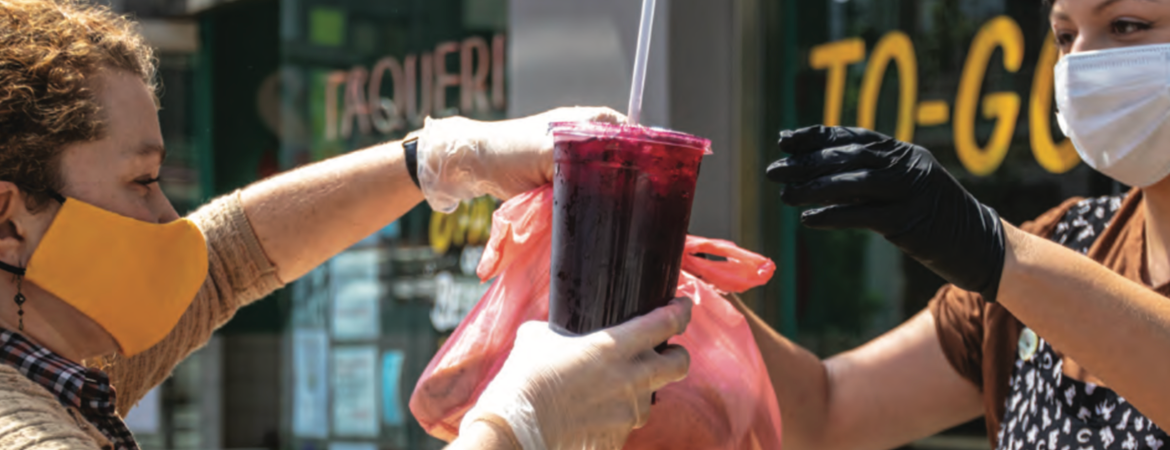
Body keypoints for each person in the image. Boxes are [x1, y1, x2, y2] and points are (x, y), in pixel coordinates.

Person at [0, 1, 691, 449]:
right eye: (143, 182)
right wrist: (522, 424)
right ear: (9, 223)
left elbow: (228, 259)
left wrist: (440, 159)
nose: (167, 218)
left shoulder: (55, 361)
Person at [753, 1, 1170, 449]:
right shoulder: (1064, 243)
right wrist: (685, 280)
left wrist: (996, 254)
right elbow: (824, 412)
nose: (1082, 60)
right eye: (1065, 37)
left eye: (1127, 26)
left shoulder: (1023, 266)